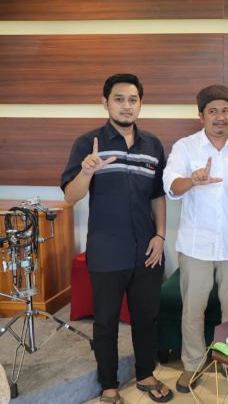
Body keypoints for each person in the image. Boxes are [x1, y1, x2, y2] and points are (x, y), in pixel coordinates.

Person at [61, 74, 172, 404]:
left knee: (146, 317)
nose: (126, 105)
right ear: (105, 102)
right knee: (106, 322)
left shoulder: (152, 145)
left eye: (133, 99)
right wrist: (87, 171)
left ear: (140, 104)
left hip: (147, 250)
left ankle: (145, 374)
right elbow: (70, 197)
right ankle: (108, 385)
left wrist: (161, 235)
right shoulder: (88, 143)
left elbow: (157, 195)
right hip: (107, 249)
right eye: (119, 99)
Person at [162, 85, 228, 393]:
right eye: (213, 111)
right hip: (196, 245)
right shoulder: (185, 147)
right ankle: (192, 366)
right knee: (193, 310)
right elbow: (171, 186)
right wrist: (192, 180)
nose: (220, 117)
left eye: (225, 110)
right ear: (201, 115)